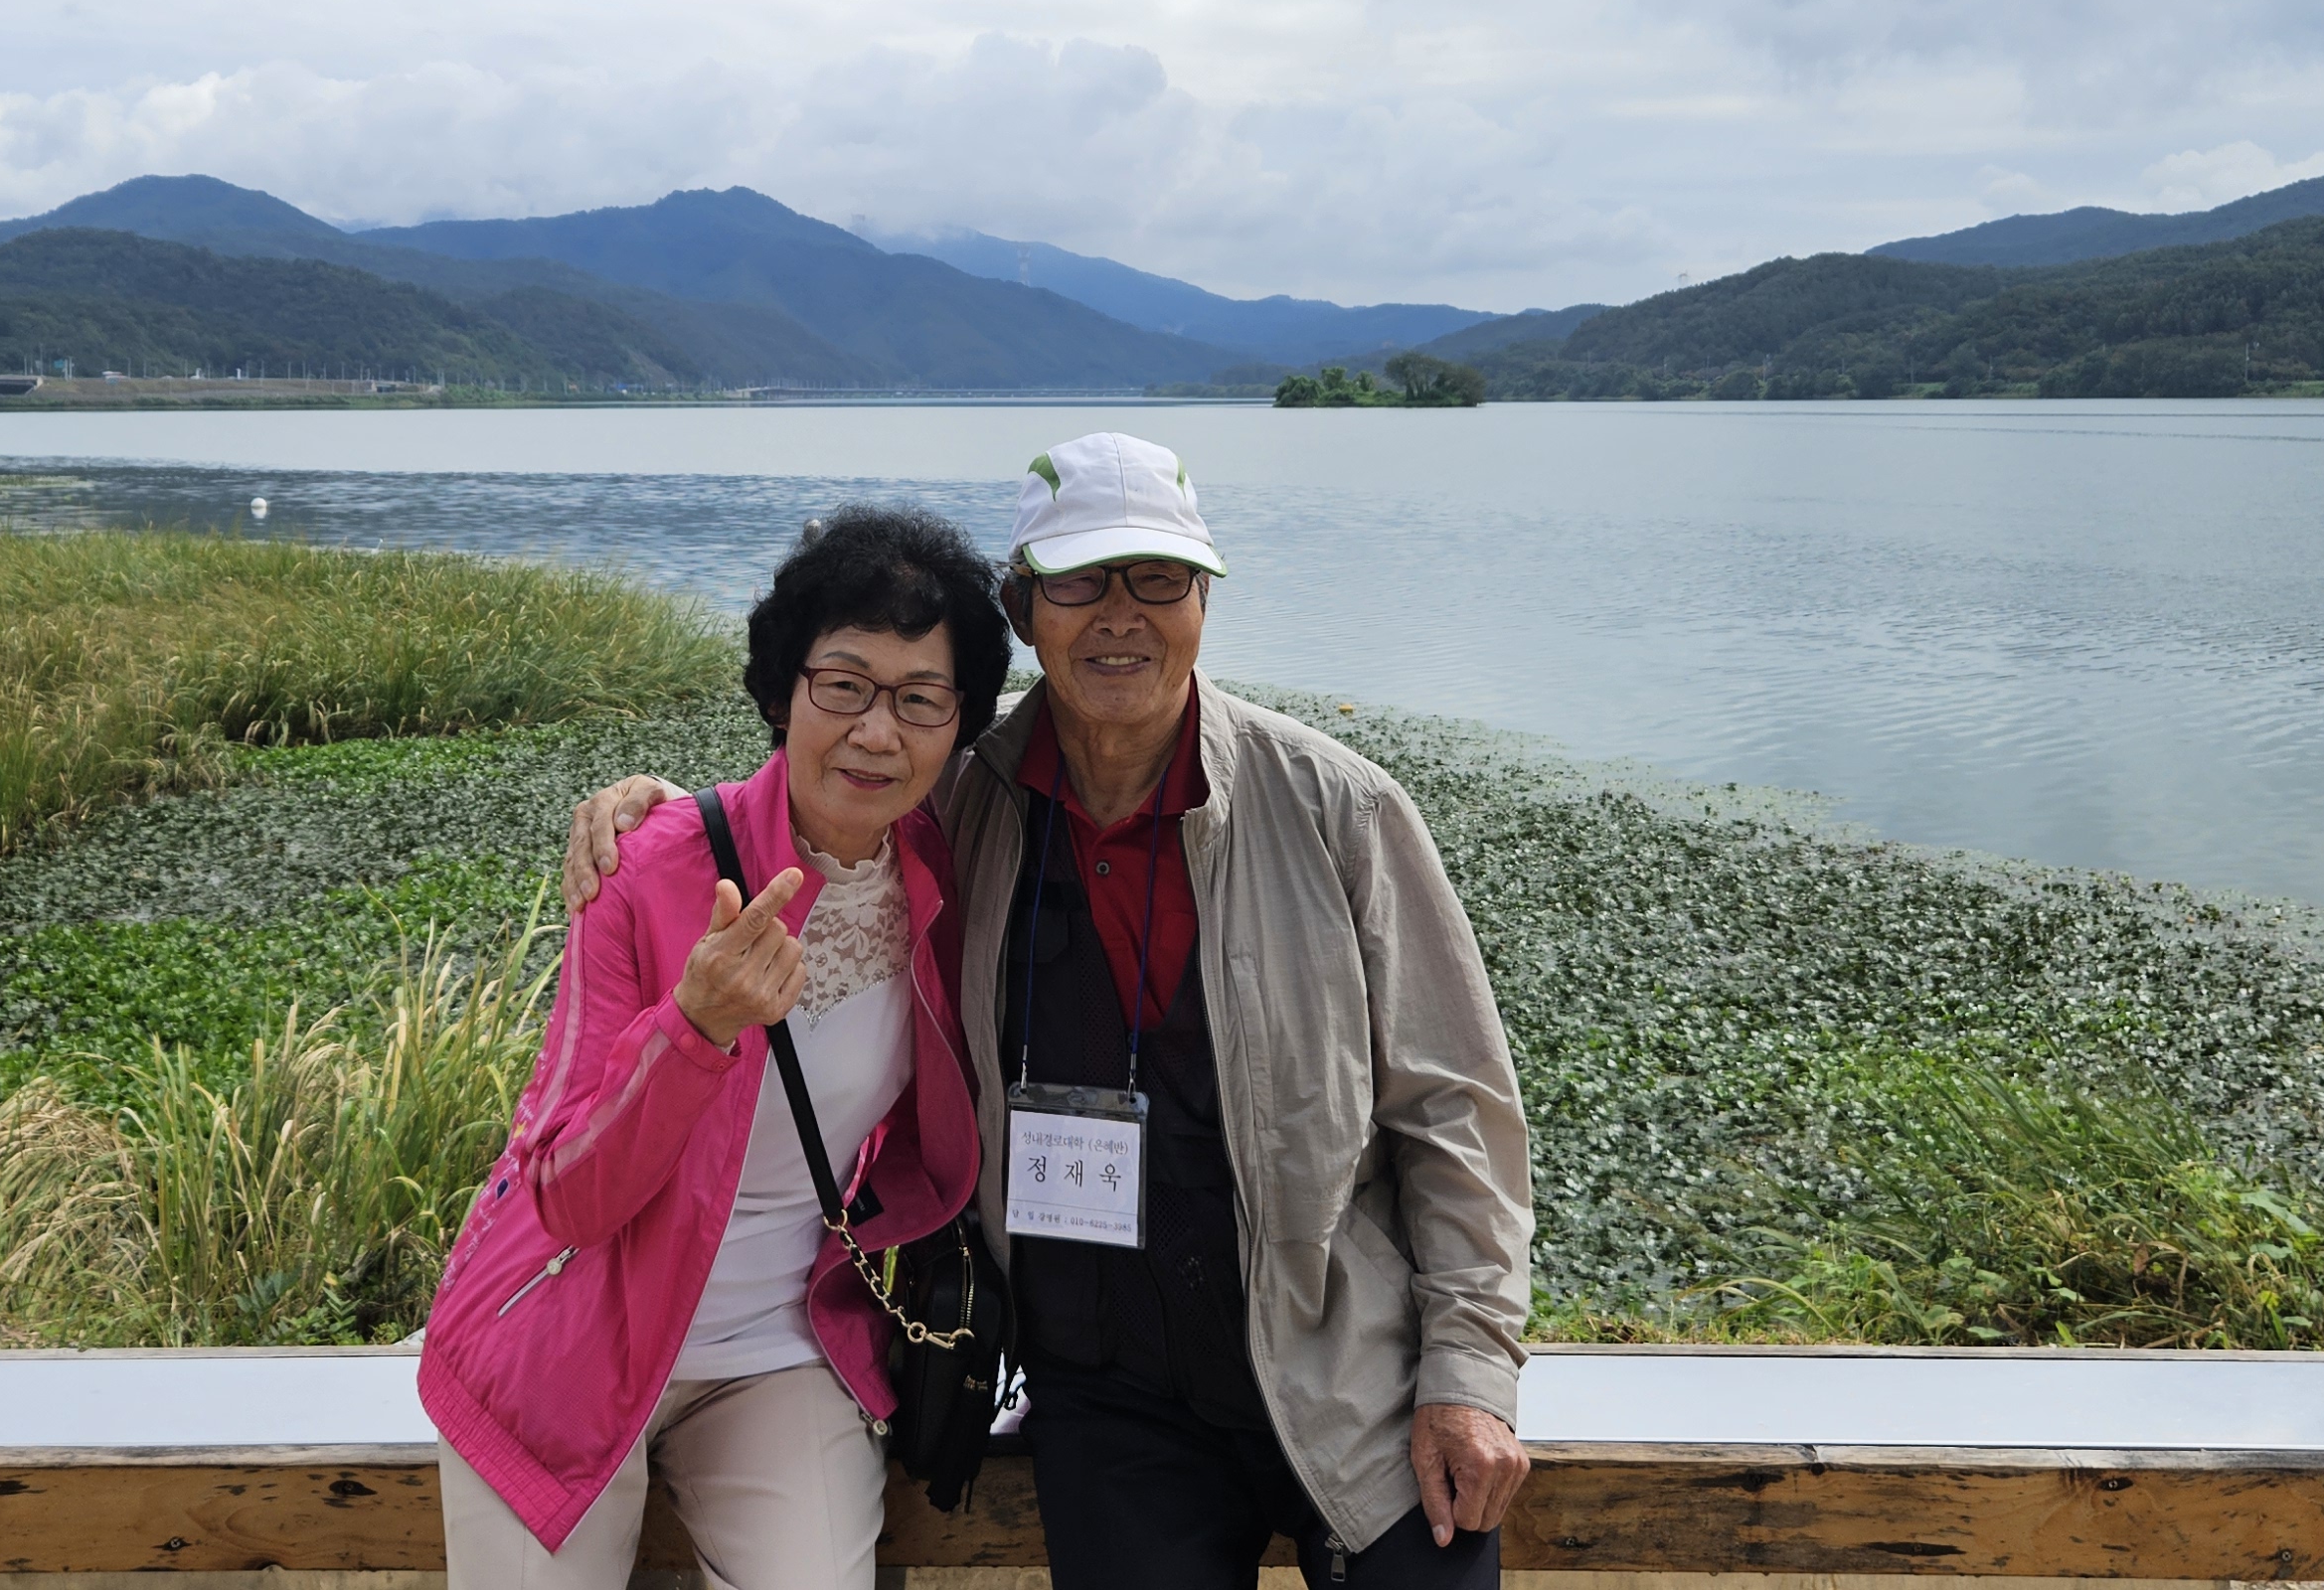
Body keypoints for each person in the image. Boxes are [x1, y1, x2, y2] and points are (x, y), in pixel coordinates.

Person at [563, 433, 1534, 1589]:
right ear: (1023, 609)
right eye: (1079, 581)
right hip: (1107, 1397)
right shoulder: (961, 803)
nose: (1121, 614)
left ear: (1205, 600)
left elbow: (1457, 1110)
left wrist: (1469, 1372)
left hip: (1347, 1374)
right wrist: (660, 816)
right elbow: (820, 794)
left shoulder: (1340, 810)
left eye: (1157, 577)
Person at [421, 506, 1012, 1588]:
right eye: (843, 684)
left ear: (958, 720)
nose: (878, 732)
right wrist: (692, 1029)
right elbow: (568, 1195)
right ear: (783, 691)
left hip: (778, 1348)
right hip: (567, 1330)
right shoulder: (646, 871)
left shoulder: (945, 865)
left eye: (920, 698)